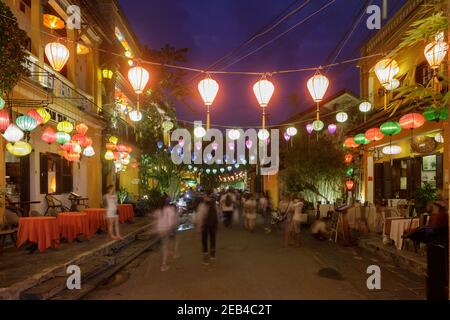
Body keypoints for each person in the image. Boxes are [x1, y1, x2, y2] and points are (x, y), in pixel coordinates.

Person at [155, 197, 179, 272]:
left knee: (165, 245)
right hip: (166, 229)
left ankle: (171, 253)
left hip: (160, 229)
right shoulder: (169, 209)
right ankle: (163, 265)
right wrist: (171, 229)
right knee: (166, 247)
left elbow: (156, 219)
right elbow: (171, 221)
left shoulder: (159, 210)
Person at [196, 191, 219, 265]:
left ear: (205, 196)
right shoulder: (214, 204)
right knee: (213, 239)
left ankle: (205, 256)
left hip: (205, 225)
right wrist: (217, 224)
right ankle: (212, 255)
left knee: (204, 240)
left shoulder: (202, 205)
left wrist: (199, 227)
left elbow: (200, 217)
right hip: (212, 225)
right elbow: (218, 214)